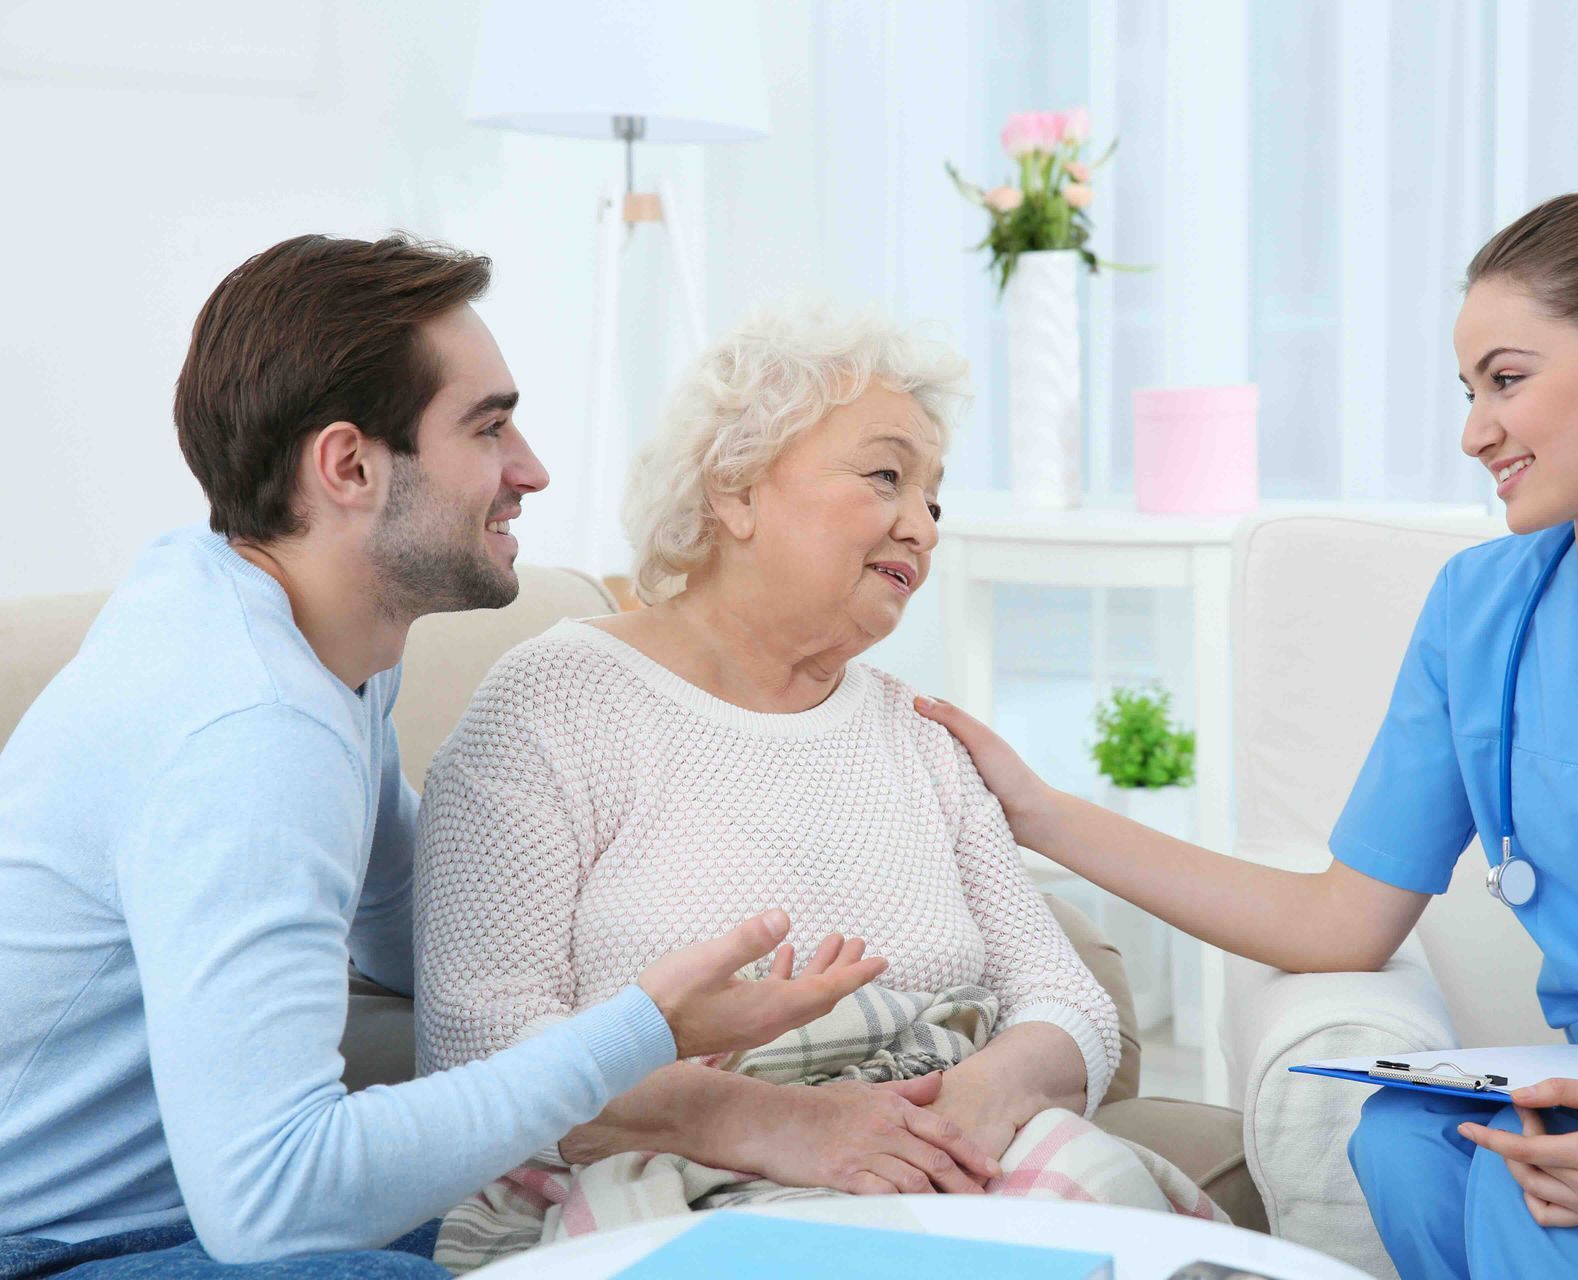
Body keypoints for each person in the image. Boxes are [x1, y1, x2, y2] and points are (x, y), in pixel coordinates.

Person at [916, 190, 1578, 1276]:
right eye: (1468, 388)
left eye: (1508, 378)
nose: (1474, 430)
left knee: (1530, 1194)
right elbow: (1341, 919)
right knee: (1406, 1139)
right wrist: (1044, 813)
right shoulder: (1481, 609)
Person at [0, 236, 885, 1278]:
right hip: (59, 1240)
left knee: (620, 1218)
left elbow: (401, 924)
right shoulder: (246, 731)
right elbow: (274, 1204)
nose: (532, 469)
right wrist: (640, 1028)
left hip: (177, 1209)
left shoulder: (319, 643)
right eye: (489, 425)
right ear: (349, 466)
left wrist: (662, 986)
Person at [413, 303, 1209, 1269]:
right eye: (885, 477)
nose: (921, 524)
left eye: (934, 501)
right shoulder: (554, 705)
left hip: (942, 1153)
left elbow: (1065, 1002)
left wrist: (954, 1113)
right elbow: (476, 1045)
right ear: (736, 489)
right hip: (673, 1165)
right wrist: (774, 1123)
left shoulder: (917, 735)